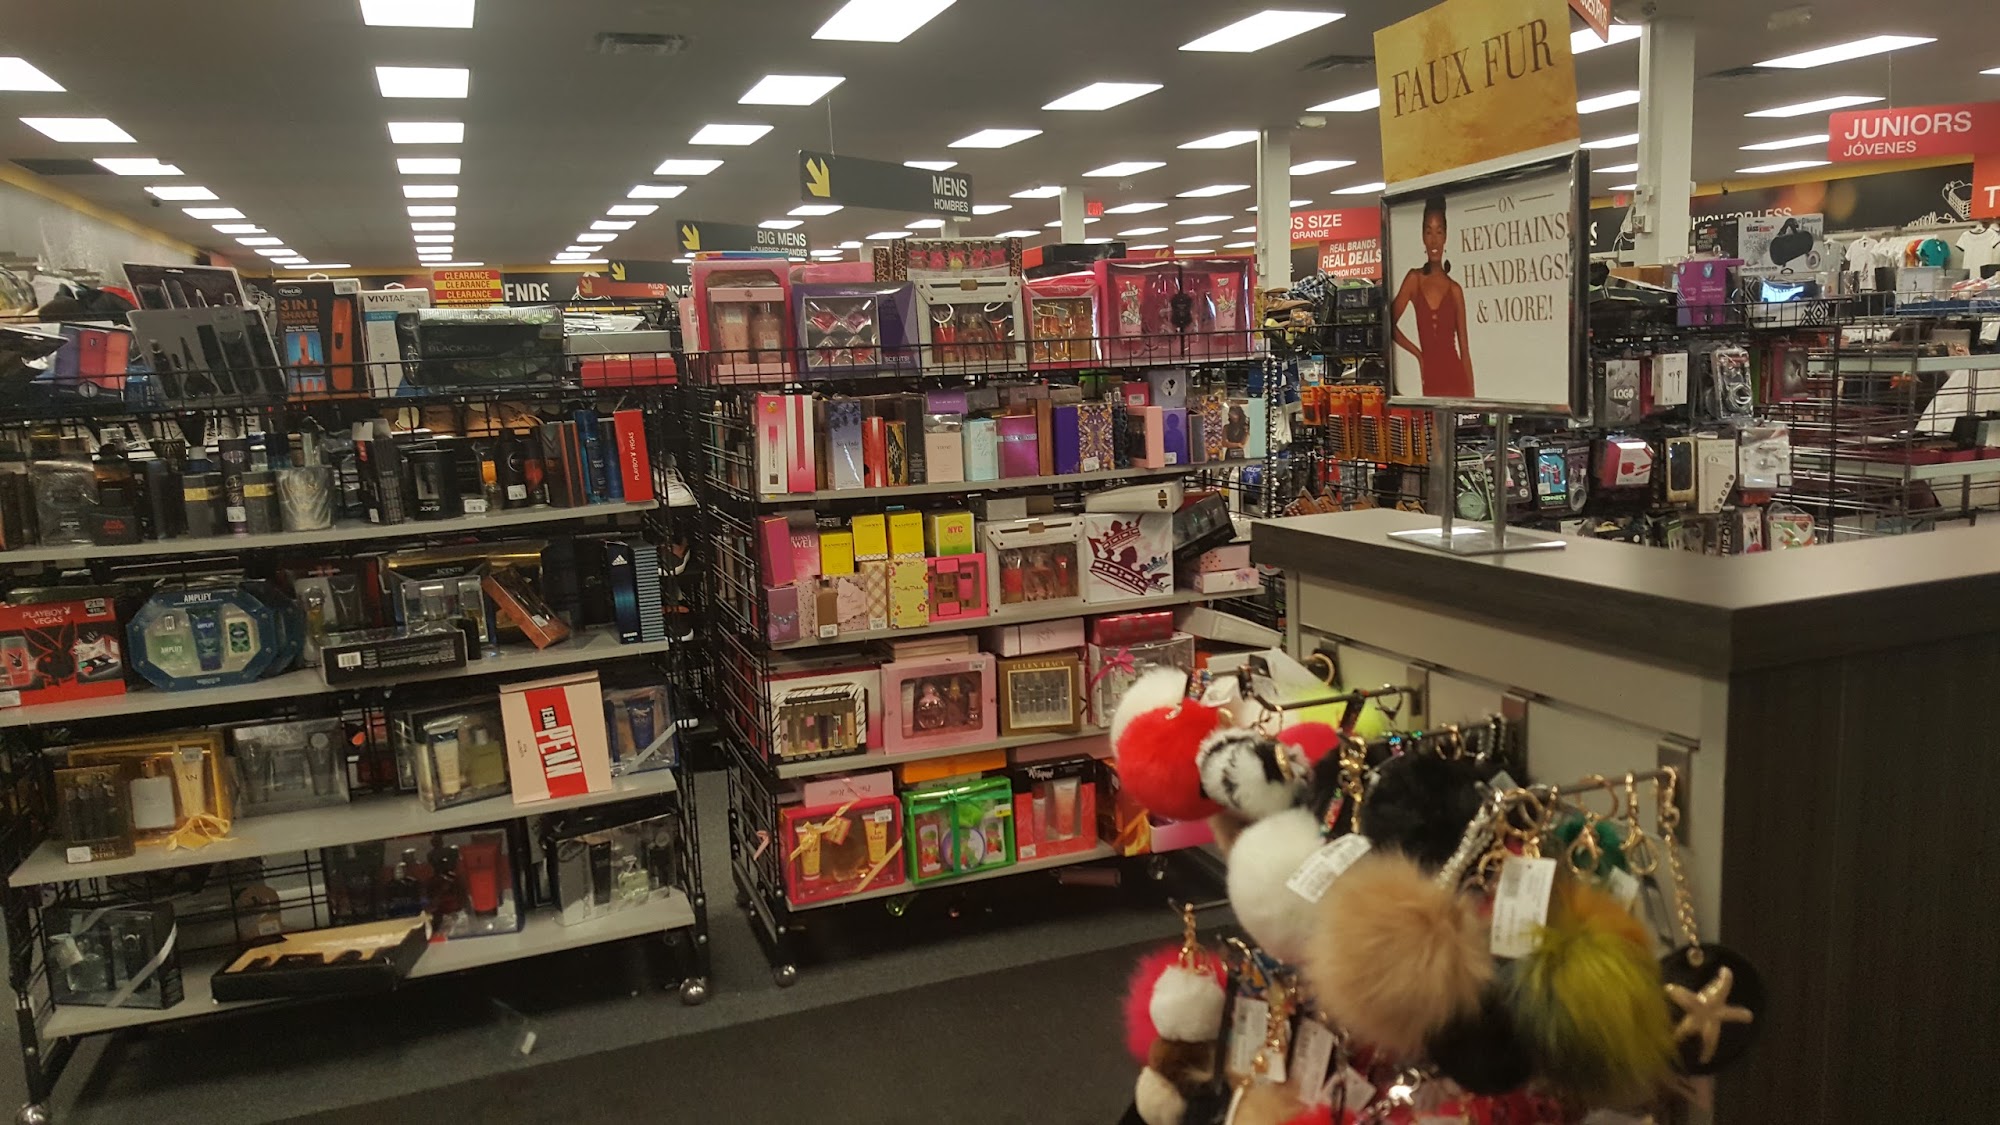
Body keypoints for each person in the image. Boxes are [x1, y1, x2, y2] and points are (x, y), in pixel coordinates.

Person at [1390, 195, 1473, 398]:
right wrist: (1418, 355)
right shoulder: (1414, 279)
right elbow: (1389, 324)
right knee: (1431, 416)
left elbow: (1464, 351)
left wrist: (1473, 400)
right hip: (1431, 375)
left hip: (1456, 377)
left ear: (1445, 236)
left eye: (1439, 232)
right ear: (1422, 236)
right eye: (1429, 232)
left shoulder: (1454, 290)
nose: (1434, 240)